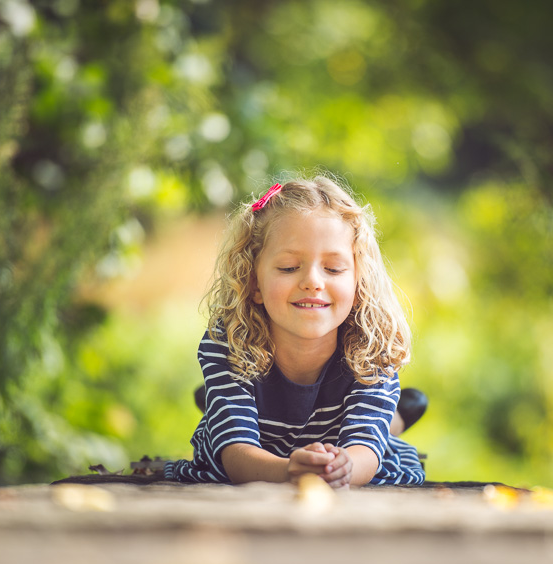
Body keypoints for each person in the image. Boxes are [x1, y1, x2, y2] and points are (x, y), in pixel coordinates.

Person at [165, 175, 427, 487]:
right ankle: (217, 404)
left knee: (381, 437)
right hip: (261, 454)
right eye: (289, 268)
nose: (313, 282)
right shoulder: (230, 342)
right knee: (220, 426)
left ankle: (393, 421)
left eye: (333, 269)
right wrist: (290, 471)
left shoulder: (371, 348)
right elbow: (236, 452)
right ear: (253, 282)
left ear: (359, 282)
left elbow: (366, 449)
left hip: (339, 433)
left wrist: (344, 466)